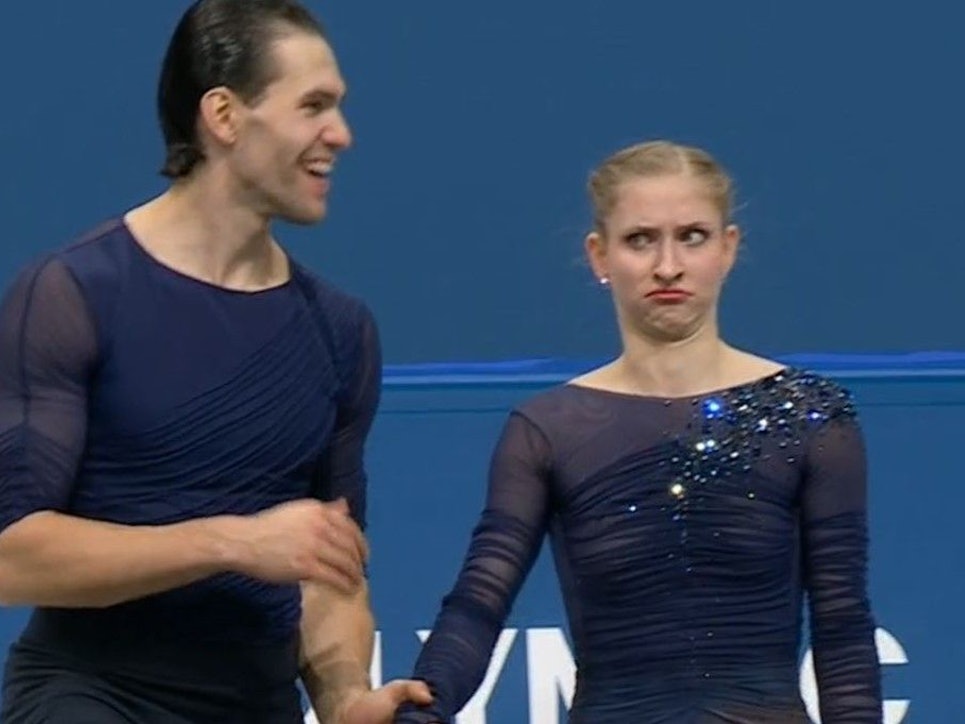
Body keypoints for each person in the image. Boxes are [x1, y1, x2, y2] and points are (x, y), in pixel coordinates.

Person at [0, 1, 431, 722]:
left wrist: (342, 694)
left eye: (340, 107)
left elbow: (330, 571)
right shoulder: (71, 294)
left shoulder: (339, 330)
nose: (342, 135)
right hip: (89, 697)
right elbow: (12, 555)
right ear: (224, 116)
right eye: (314, 106)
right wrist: (233, 541)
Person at [395, 140, 882, 723]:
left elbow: (843, 623)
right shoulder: (547, 430)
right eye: (640, 239)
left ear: (729, 249)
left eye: (693, 237)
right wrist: (423, 707)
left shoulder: (811, 415)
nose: (668, 266)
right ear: (599, 256)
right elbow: (479, 601)